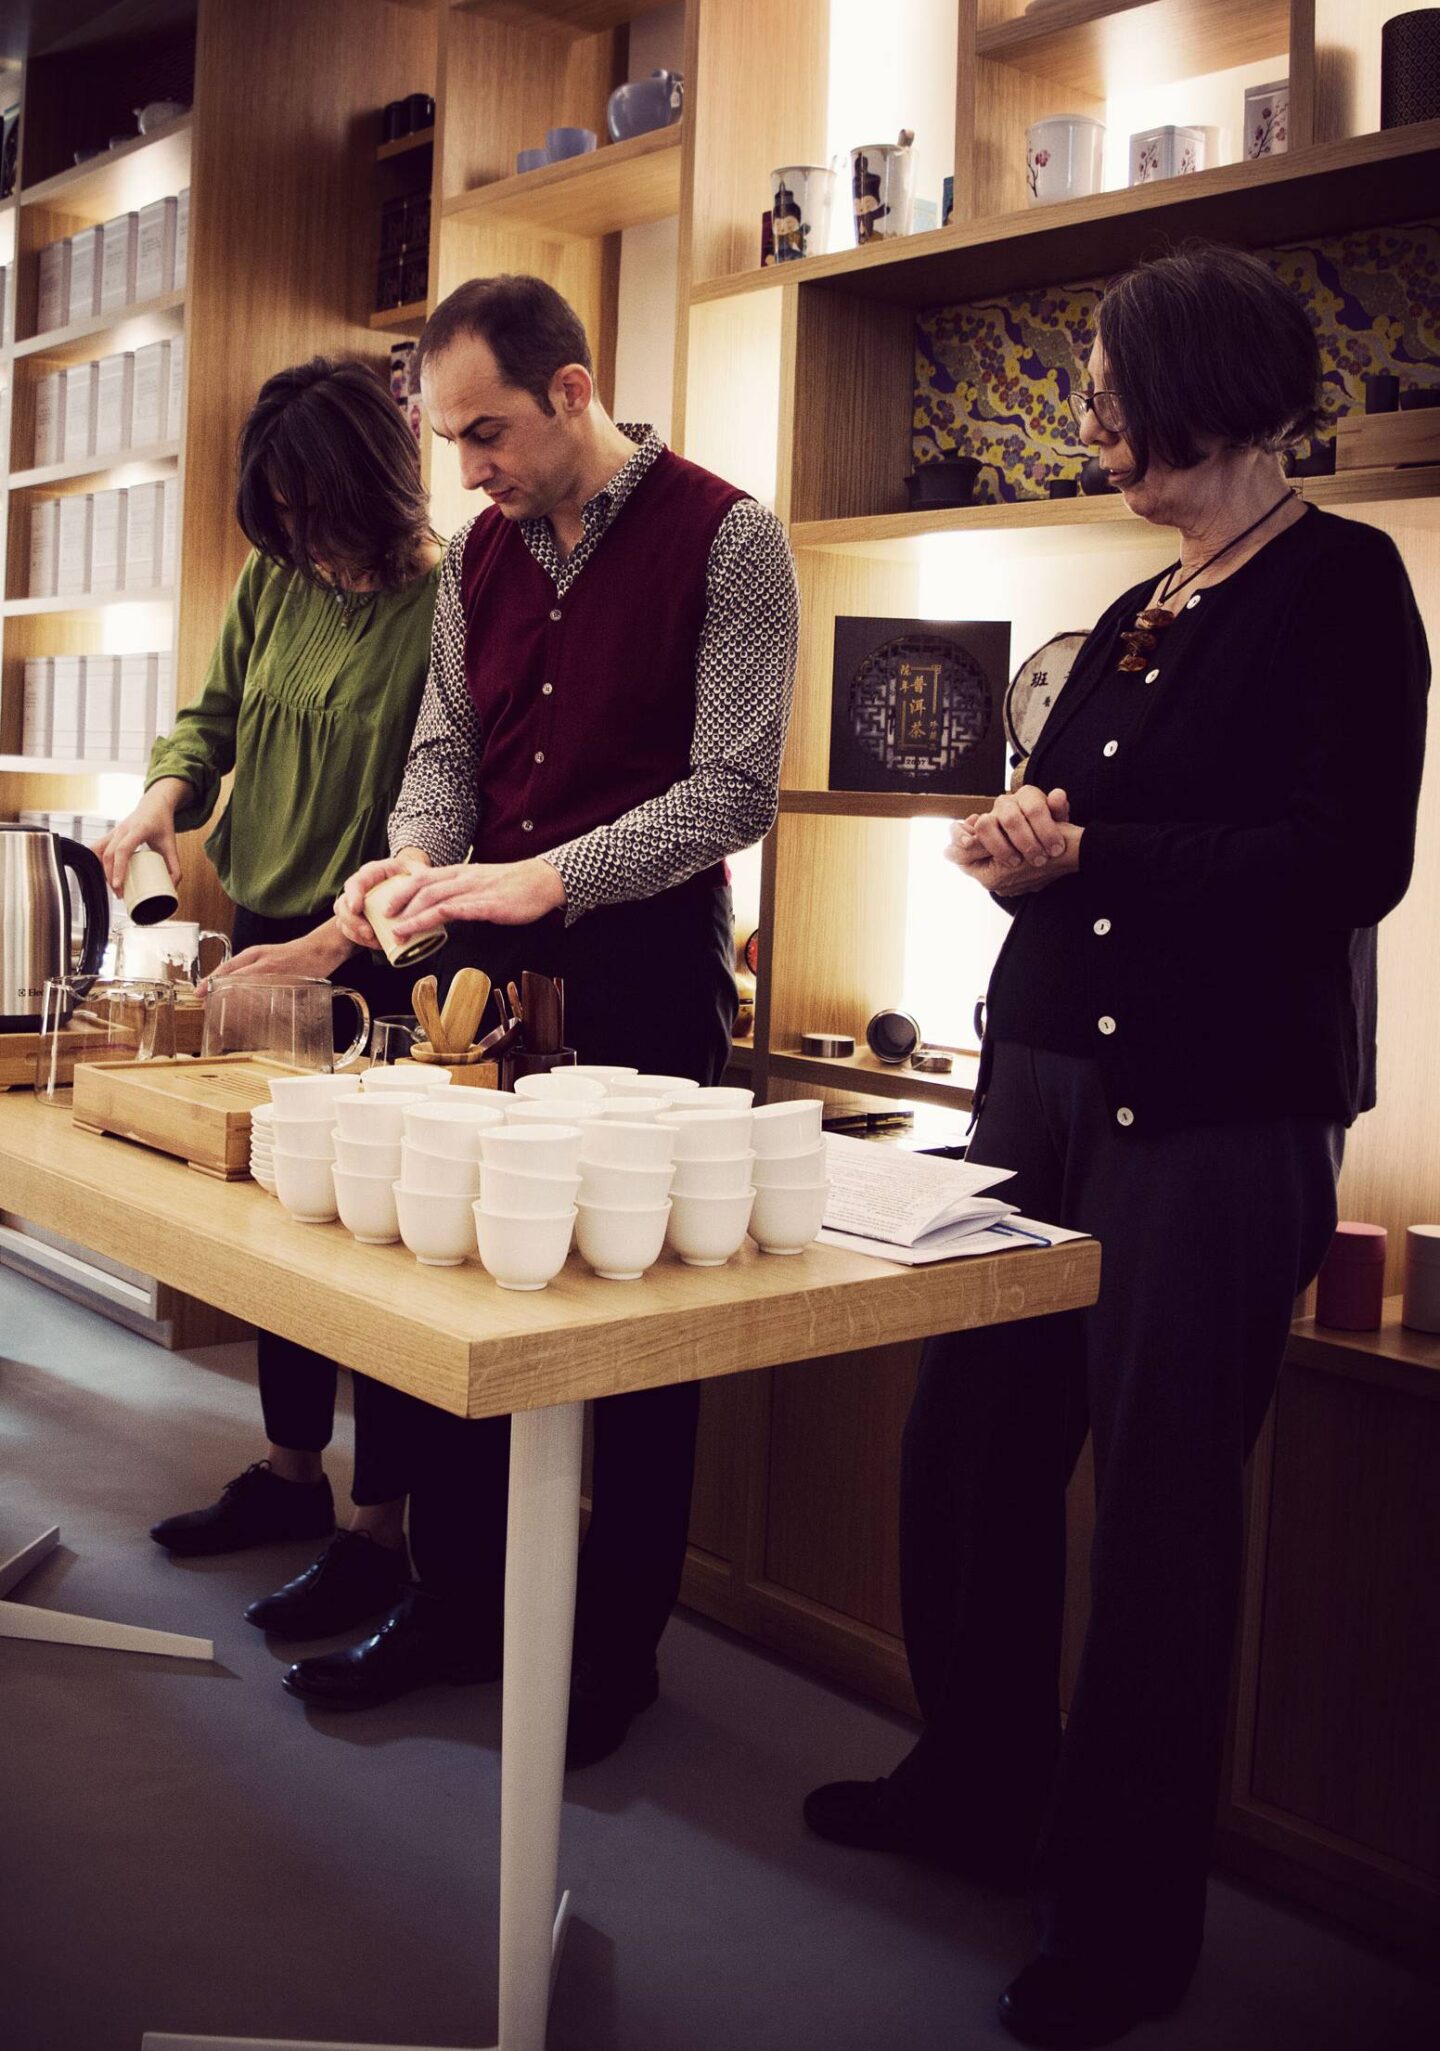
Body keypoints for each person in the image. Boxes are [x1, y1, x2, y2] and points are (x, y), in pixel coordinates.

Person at [803, 243, 1430, 2047]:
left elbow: (1350, 863)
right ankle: (976, 1782)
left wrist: (1097, 856)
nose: (1087, 414)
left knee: (1162, 1515)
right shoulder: (1145, 596)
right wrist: (1019, 845)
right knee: (968, 1448)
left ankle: (1127, 1919)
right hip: (1043, 1088)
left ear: (1199, 389)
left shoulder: (1342, 583)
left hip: (1214, 1116)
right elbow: (1083, 821)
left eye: (1106, 385)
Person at [277, 273, 799, 1769]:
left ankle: (613, 1651)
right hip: (482, 974)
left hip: (644, 970)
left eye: (487, 432)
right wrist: (414, 859)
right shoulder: (478, 556)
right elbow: (448, 749)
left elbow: (734, 792)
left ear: (574, 391)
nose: (466, 471)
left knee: (630, 1326)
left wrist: (551, 876)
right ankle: (451, 1603)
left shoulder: (732, 536)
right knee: (461, 1284)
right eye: (448, 439)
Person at [98, 358, 443, 1642]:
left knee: (379, 1243)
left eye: (315, 514)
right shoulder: (276, 578)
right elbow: (212, 720)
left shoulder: (454, 598)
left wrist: (335, 940)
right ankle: (294, 1472)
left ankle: (380, 1529)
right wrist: (162, 800)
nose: (301, 541)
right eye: (281, 518)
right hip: (259, 937)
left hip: (379, 951)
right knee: (277, 1223)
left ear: (375, 484)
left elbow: (444, 806)